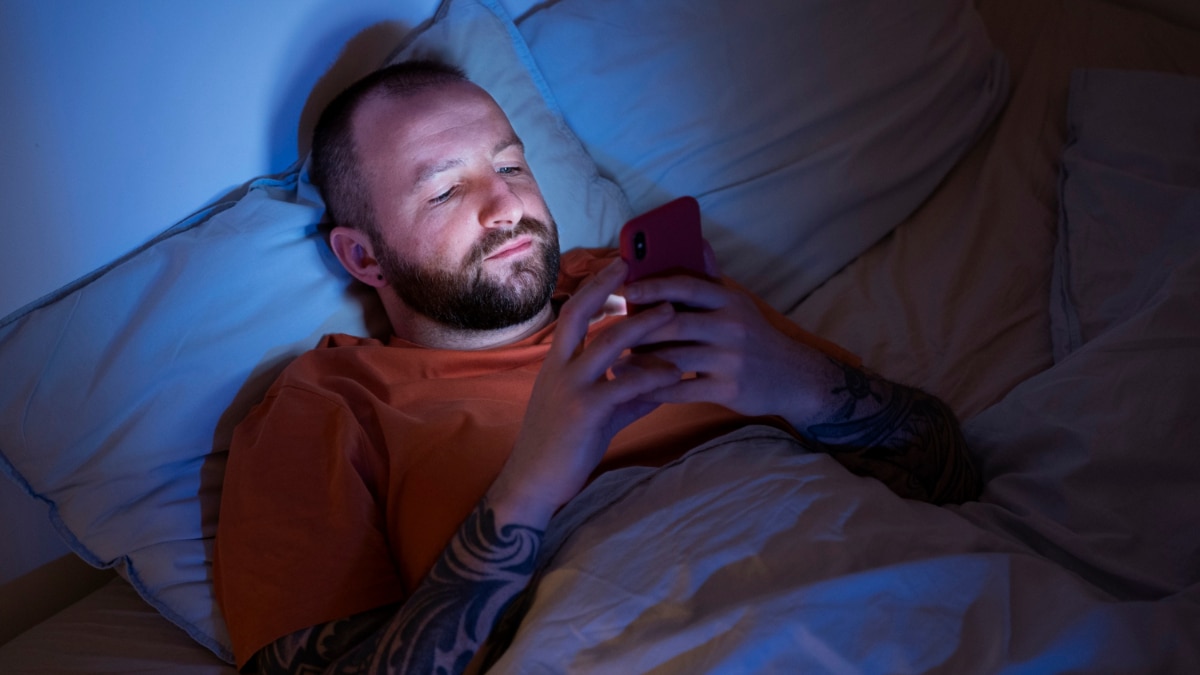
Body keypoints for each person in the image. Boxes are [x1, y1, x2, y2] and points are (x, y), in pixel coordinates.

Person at [213, 59, 981, 674]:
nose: (504, 207)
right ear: (364, 255)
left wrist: (800, 384)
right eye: (446, 189)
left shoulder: (654, 287)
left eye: (510, 167)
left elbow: (952, 472)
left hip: (905, 594)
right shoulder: (330, 404)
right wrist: (533, 481)